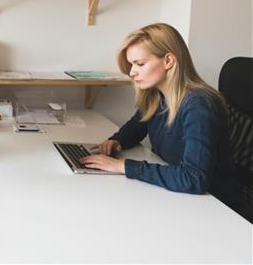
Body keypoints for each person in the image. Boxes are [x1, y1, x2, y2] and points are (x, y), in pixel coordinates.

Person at [80, 23, 253, 223]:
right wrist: (117, 141)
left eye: (140, 64)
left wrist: (123, 166)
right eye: (131, 65)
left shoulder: (199, 105)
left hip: (218, 210)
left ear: (168, 60)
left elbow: (193, 178)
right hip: (183, 201)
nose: (133, 72)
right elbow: (136, 127)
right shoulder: (157, 96)